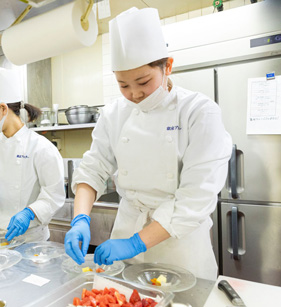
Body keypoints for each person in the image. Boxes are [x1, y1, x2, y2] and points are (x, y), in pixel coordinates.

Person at [64, 7, 232, 280]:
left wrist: (136, 243)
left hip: (179, 244)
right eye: (123, 85)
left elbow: (195, 198)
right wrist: (80, 218)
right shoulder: (114, 114)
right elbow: (92, 169)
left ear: (167, 66)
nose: (134, 94)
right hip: (126, 234)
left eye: (143, 81)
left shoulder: (198, 112)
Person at [0, 66, 65, 242]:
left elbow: (54, 194)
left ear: (3, 109)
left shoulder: (40, 147)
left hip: (30, 238)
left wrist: (29, 213)